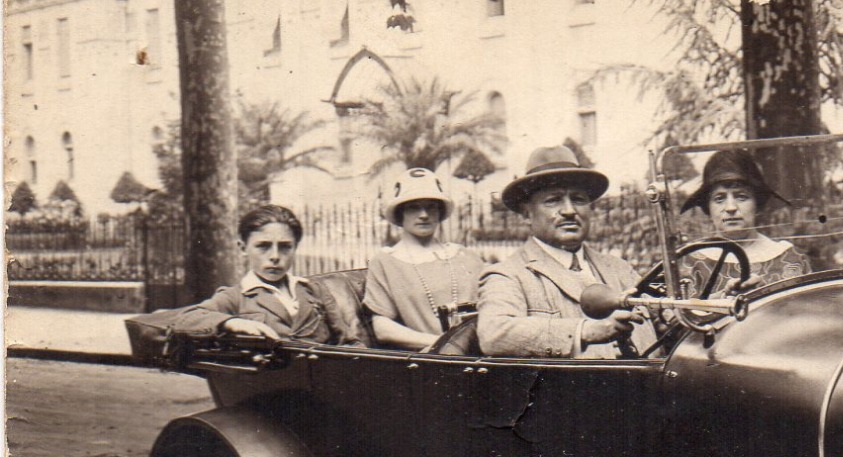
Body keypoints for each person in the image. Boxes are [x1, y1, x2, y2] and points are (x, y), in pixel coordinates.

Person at [476, 146, 643, 359]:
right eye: (553, 200)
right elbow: (494, 333)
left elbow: (662, 321)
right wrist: (583, 331)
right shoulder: (508, 275)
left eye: (578, 199)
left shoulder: (620, 269)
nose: (569, 210)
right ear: (527, 214)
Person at [166, 204, 335, 342]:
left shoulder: (313, 290)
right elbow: (184, 320)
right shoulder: (235, 297)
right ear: (243, 248)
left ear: (295, 248)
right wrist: (231, 322)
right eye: (263, 246)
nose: (275, 256)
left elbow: (349, 341)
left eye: (285, 247)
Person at [364, 167, 487, 350]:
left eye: (431, 206)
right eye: (414, 207)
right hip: (430, 358)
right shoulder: (385, 262)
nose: (424, 215)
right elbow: (383, 328)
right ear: (400, 214)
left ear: (440, 212)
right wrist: (446, 344)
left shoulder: (465, 256)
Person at [679, 150, 809, 294]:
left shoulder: (790, 258)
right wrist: (721, 300)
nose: (731, 208)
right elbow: (668, 314)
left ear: (757, 204)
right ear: (708, 207)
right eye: (719, 199)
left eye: (741, 197)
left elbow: (809, 313)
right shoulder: (689, 262)